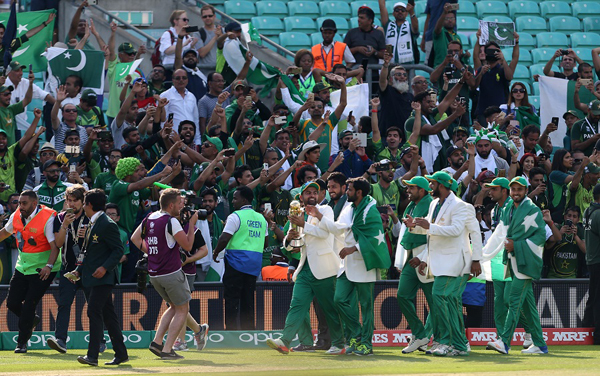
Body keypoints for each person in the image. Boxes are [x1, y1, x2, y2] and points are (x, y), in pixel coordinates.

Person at [308, 177, 390, 355]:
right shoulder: (349, 208)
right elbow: (338, 228)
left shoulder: (371, 211)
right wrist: (319, 215)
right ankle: (357, 334)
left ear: (359, 192)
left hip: (364, 263)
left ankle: (366, 344)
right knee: (339, 299)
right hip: (346, 264)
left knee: (366, 306)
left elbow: (375, 238)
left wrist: (354, 248)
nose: (347, 192)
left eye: (350, 190)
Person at [405, 171, 481, 356]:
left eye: (432, 183)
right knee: (450, 302)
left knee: (440, 295)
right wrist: (414, 227)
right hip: (439, 261)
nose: (430, 187)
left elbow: (455, 231)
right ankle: (460, 344)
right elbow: (431, 233)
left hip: (455, 260)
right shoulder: (433, 204)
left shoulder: (461, 206)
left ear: (441, 185)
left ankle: (447, 342)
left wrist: (476, 259)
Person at [266, 182, 345, 355]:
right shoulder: (298, 214)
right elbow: (289, 246)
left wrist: (303, 225)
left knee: (329, 309)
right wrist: (290, 238)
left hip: (324, 268)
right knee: (297, 305)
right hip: (304, 268)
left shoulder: (325, 210)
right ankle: (285, 341)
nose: (311, 195)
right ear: (301, 197)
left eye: (314, 192)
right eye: (307, 192)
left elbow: (325, 234)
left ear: (319, 196)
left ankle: (339, 344)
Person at [130, 188, 200, 359]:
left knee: (174, 307)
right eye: (178, 204)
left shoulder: (149, 217)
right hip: (171, 272)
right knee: (183, 309)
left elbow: (134, 238)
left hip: (154, 273)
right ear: (171, 205)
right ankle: (167, 350)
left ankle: (157, 342)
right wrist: (191, 224)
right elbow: (188, 246)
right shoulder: (172, 221)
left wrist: (153, 254)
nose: (180, 207)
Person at [483, 177, 548, 354]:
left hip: (526, 262)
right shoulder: (508, 208)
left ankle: (504, 342)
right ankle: (540, 345)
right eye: (513, 189)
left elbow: (541, 237)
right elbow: (499, 234)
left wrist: (516, 246)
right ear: (509, 191)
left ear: (526, 190)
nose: (516, 193)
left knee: (513, 301)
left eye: (519, 189)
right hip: (513, 260)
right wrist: (482, 255)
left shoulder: (533, 209)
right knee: (528, 307)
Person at [0, 190, 59, 353]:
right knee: (12, 303)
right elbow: (5, 232)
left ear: (34, 204)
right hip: (23, 266)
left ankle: (22, 342)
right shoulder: (17, 215)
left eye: (24, 203)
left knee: (28, 305)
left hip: (43, 268)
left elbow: (55, 247)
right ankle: (32, 320)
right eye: (19, 203)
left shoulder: (48, 217)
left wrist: (48, 266)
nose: (20, 206)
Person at [75, 189, 128, 366]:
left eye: (83, 203)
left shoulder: (107, 223)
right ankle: (121, 353)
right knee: (108, 315)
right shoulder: (93, 222)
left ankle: (93, 356)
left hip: (103, 278)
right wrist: (78, 271)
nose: (83, 206)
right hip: (93, 276)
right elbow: (88, 253)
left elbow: (118, 250)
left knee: (93, 311)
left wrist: (105, 268)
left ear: (89, 205)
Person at [47, 185, 95, 354]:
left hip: (88, 270)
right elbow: (58, 244)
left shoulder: (91, 218)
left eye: (75, 201)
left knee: (93, 307)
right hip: (68, 269)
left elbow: (99, 243)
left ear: (83, 202)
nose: (72, 204)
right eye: (69, 200)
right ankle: (60, 339)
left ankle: (100, 339)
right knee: (64, 304)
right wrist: (65, 225)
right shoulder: (60, 218)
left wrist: (87, 234)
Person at [211, 186, 267, 330]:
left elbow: (224, 238)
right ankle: (248, 332)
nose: (233, 201)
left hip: (235, 263)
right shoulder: (262, 218)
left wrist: (216, 252)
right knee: (248, 299)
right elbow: (265, 242)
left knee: (231, 299)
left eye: (235, 198)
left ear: (244, 200)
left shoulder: (235, 216)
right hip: (253, 265)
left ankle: (231, 332)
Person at [394, 176, 434, 353]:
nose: (408, 191)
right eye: (408, 187)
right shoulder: (411, 205)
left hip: (428, 259)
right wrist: (400, 259)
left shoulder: (431, 204)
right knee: (402, 296)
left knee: (435, 303)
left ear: (422, 190)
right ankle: (421, 334)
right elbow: (406, 234)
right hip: (411, 259)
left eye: (412, 188)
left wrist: (424, 256)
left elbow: (435, 235)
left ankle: (436, 338)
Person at [5, 61, 55, 133]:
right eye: (17, 71)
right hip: (6, 124)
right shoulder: (3, 84)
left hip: (21, 127)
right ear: (9, 73)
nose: (21, 73)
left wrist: (61, 106)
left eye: (21, 70)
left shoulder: (25, 83)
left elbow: (44, 95)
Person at [161, 69, 200, 145]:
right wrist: (165, 138)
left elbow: (196, 120)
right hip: (172, 139)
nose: (181, 80)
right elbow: (162, 120)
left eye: (184, 78)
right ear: (173, 80)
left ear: (187, 80)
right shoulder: (165, 95)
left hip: (190, 140)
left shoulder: (191, 96)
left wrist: (198, 141)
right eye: (178, 78)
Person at [544, 207, 585, 279]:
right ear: (564, 216)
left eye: (574, 216)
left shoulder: (580, 231)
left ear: (578, 219)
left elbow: (585, 250)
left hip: (572, 277)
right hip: (553, 276)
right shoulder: (556, 227)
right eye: (569, 216)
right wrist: (559, 234)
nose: (571, 218)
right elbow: (547, 247)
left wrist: (575, 236)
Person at [379, 53, 414, 136]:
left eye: (404, 75)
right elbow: (382, 79)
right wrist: (386, 64)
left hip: (405, 137)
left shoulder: (410, 96)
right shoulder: (388, 91)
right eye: (398, 74)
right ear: (391, 78)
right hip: (388, 137)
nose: (402, 77)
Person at [583, 184, 600, 345]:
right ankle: (598, 335)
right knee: (597, 298)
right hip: (598, 260)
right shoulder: (599, 214)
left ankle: (584, 328)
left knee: (593, 295)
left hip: (592, 259)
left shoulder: (588, 211)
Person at [378, 1, 419, 65]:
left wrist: (412, 13)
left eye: (403, 10)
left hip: (407, 65)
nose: (400, 12)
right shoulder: (388, 25)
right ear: (393, 13)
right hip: (390, 63)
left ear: (406, 13)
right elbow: (382, 7)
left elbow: (416, 28)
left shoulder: (410, 26)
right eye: (397, 10)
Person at [431, 3, 460, 69]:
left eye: (452, 18)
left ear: (455, 20)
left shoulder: (457, 37)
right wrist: (444, 12)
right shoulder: (440, 33)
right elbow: (438, 28)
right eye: (447, 18)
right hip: (440, 68)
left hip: (454, 68)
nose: (450, 20)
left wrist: (465, 55)